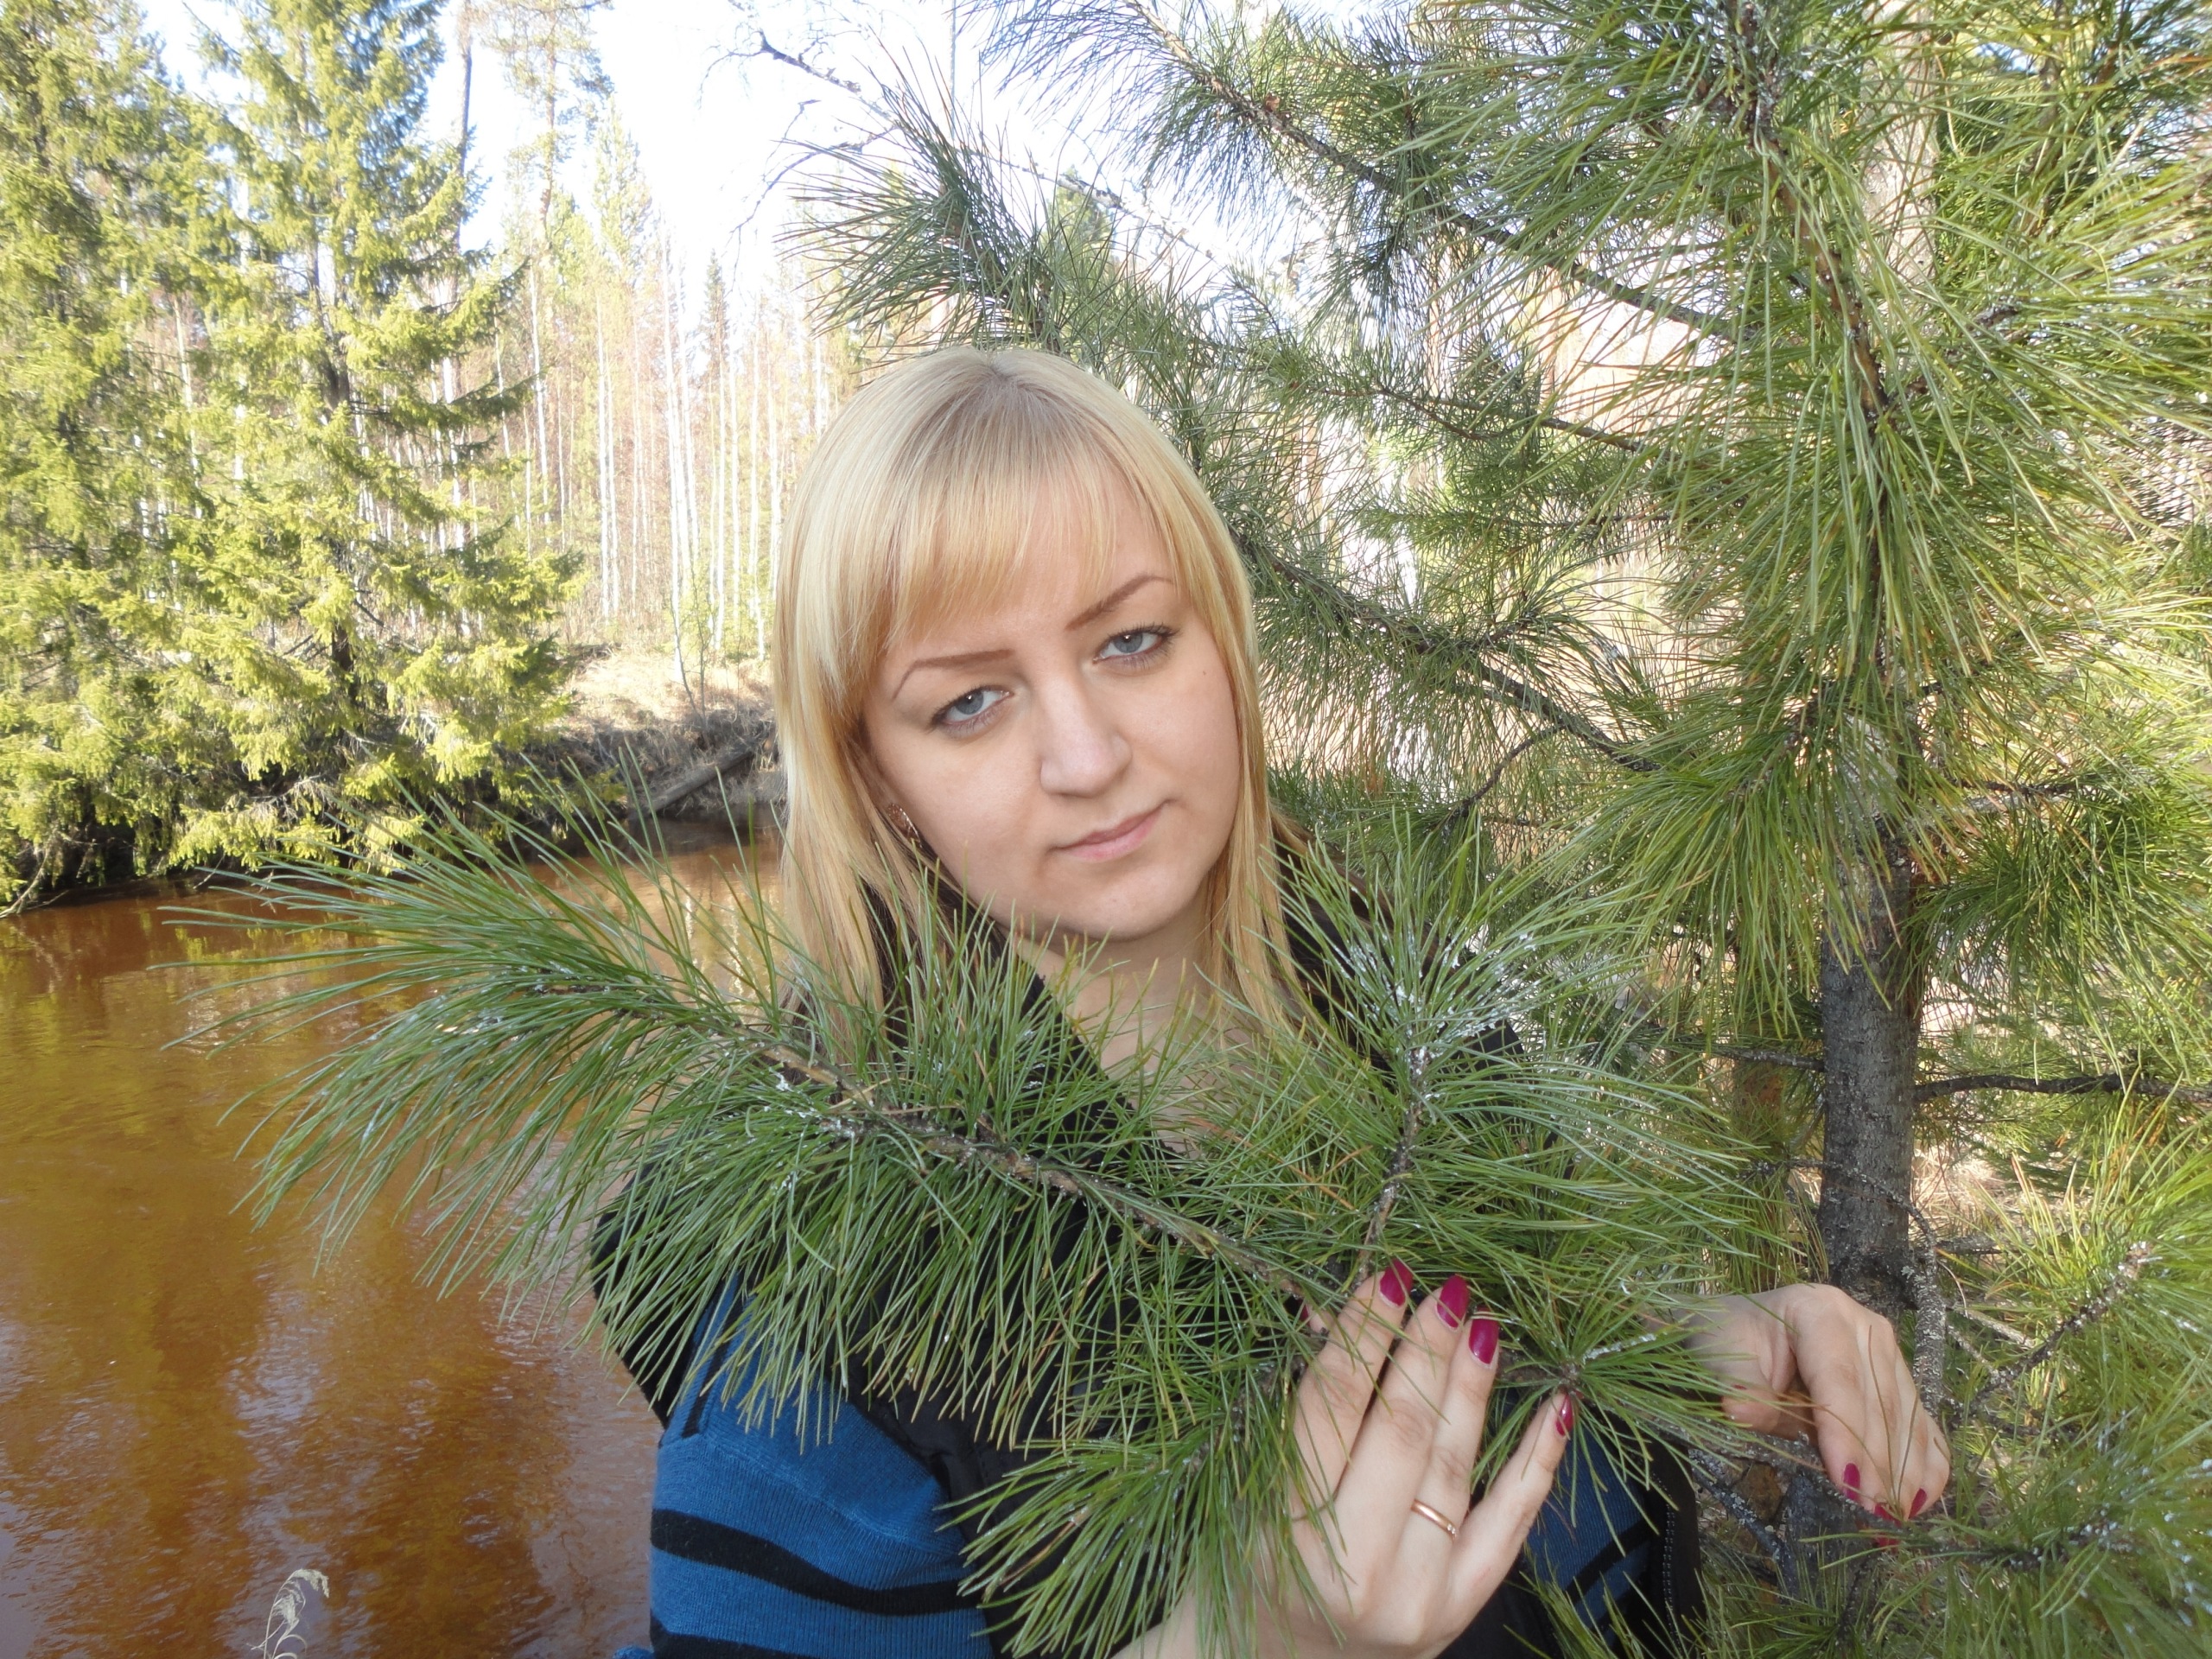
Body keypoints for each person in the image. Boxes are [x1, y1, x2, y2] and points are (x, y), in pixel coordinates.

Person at [607, 347, 1949, 1659]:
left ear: (1225, 644)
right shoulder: (815, 1287)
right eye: (969, 704)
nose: (1086, 754)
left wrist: (1686, 1353)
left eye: (1133, 639)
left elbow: (1489, 1386)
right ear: (878, 780)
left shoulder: (1420, 1020)